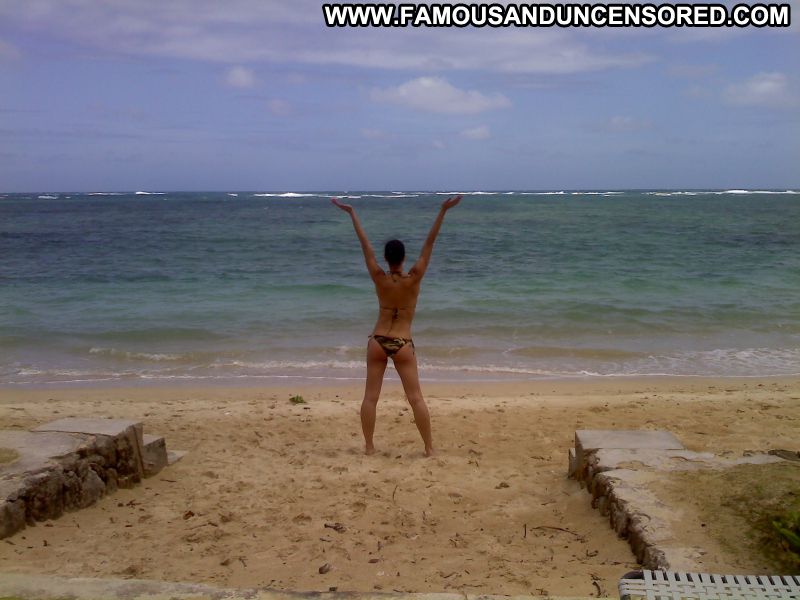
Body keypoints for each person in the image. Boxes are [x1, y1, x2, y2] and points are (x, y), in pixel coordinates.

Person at [332, 195, 462, 457]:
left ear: (386, 258)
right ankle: (429, 448)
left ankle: (369, 447)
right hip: (403, 343)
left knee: (370, 398)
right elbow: (429, 243)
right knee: (415, 398)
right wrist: (443, 211)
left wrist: (352, 213)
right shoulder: (413, 278)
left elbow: (365, 246)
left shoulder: (379, 278)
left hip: (378, 340)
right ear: (403, 258)